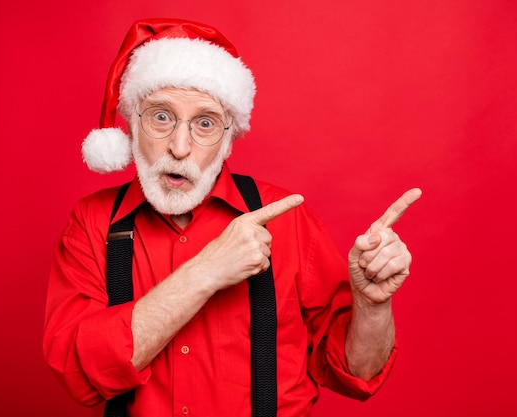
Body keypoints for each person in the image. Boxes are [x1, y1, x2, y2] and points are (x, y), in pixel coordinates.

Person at [43, 18, 422, 417]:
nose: (180, 146)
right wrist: (206, 271)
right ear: (131, 124)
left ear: (227, 140)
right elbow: (78, 373)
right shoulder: (92, 223)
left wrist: (372, 307)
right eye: (161, 116)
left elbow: (358, 372)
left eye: (205, 123)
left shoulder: (288, 219)